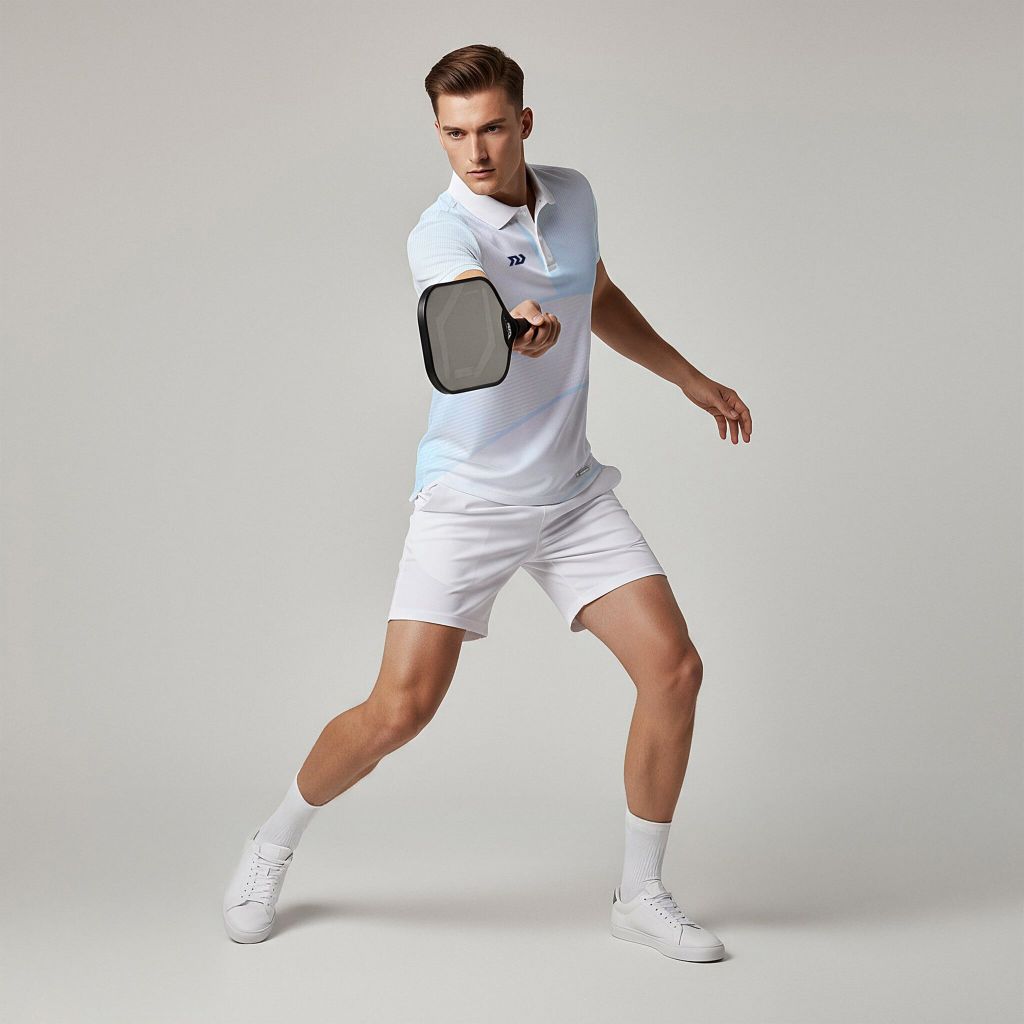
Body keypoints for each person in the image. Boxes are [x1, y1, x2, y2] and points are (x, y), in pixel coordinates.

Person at [223, 44, 752, 961]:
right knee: (400, 711)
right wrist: (516, 326)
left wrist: (688, 378)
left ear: (524, 123)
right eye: (455, 133)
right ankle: (270, 845)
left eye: (493, 129)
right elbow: (466, 306)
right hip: (469, 498)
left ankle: (640, 893)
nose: (475, 151)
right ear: (438, 133)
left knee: (674, 670)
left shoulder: (574, 195)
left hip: (570, 494)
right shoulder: (441, 232)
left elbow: (596, 292)